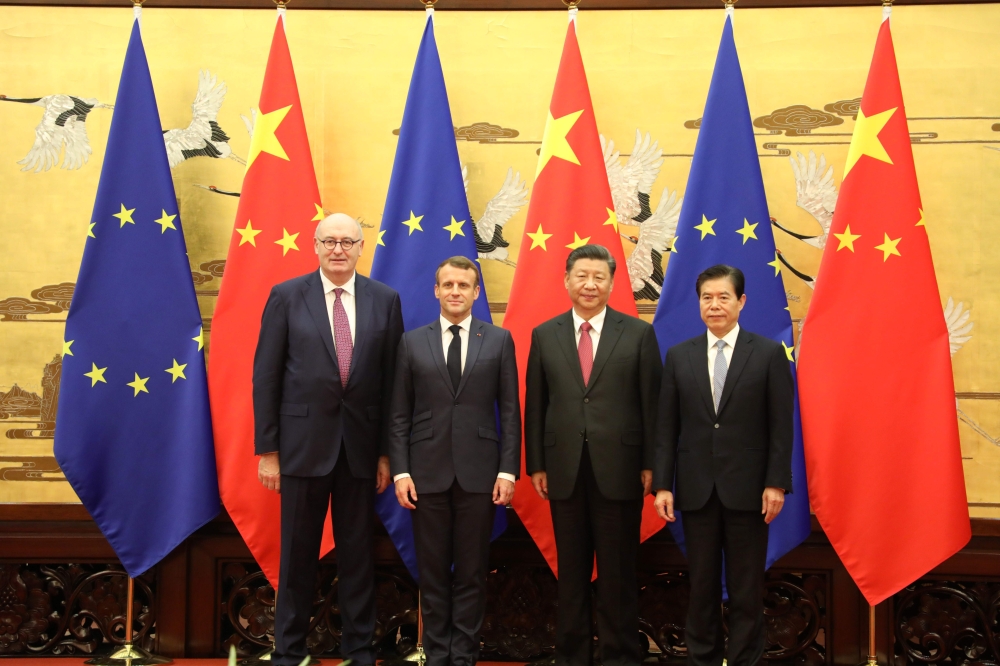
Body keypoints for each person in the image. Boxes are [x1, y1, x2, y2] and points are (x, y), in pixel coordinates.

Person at [253, 212, 404, 666]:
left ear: (362, 248)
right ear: (314, 245)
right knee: (297, 557)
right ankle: (289, 651)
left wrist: (384, 453)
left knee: (358, 557)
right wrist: (269, 451)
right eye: (329, 241)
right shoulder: (286, 296)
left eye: (348, 241)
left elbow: (392, 383)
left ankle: (358, 651)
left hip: (360, 453)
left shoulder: (385, 300)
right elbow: (266, 377)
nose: (338, 249)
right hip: (300, 450)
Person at [524, 244, 662, 666]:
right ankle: (572, 656)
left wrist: (651, 465)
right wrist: (537, 464)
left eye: (598, 277)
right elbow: (536, 403)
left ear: (612, 283)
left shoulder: (637, 333)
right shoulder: (545, 334)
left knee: (618, 574)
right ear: (566, 280)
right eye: (581, 275)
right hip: (563, 470)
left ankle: (619, 655)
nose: (589, 284)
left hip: (619, 471)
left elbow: (651, 405)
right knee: (571, 575)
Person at [653, 264, 794, 666]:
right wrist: (663, 484)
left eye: (723, 297)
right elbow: (667, 427)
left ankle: (745, 659)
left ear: (741, 302)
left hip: (750, 491)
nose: (714, 305)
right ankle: (704, 659)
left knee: (746, 588)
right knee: (701, 587)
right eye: (706, 298)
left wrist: (776, 482)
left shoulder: (767, 354)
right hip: (696, 491)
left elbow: (781, 427)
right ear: (698, 303)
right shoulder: (680, 356)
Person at [388, 256, 521, 666]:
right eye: (448, 285)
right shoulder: (413, 342)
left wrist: (508, 470)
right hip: (424, 473)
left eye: (464, 285)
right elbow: (398, 414)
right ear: (436, 290)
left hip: (480, 473)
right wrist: (401, 470)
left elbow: (511, 412)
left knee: (470, 571)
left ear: (476, 292)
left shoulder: (498, 340)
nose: (455, 292)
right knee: (431, 570)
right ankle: (436, 650)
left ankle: (463, 654)